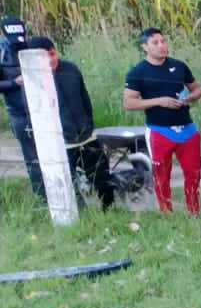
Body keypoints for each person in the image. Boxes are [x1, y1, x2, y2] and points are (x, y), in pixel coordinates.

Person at [27, 36, 115, 211]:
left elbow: (84, 99)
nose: (50, 60)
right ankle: (77, 214)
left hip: (86, 135)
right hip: (60, 142)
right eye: (44, 57)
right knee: (67, 183)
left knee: (101, 175)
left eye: (52, 54)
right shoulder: (32, 79)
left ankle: (109, 209)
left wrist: (88, 125)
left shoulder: (71, 69)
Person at [123, 27, 201, 214]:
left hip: (187, 128)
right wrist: (159, 101)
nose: (161, 46)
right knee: (162, 175)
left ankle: (194, 211)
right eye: (155, 43)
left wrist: (190, 97)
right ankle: (166, 214)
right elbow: (128, 103)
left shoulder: (179, 66)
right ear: (145, 47)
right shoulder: (137, 72)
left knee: (193, 173)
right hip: (159, 130)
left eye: (163, 41)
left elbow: (197, 89)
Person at [0, 14, 44, 199]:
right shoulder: (2, 53)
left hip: (43, 109)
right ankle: (41, 194)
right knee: (32, 156)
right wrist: (14, 82)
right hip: (19, 113)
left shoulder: (34, 47)